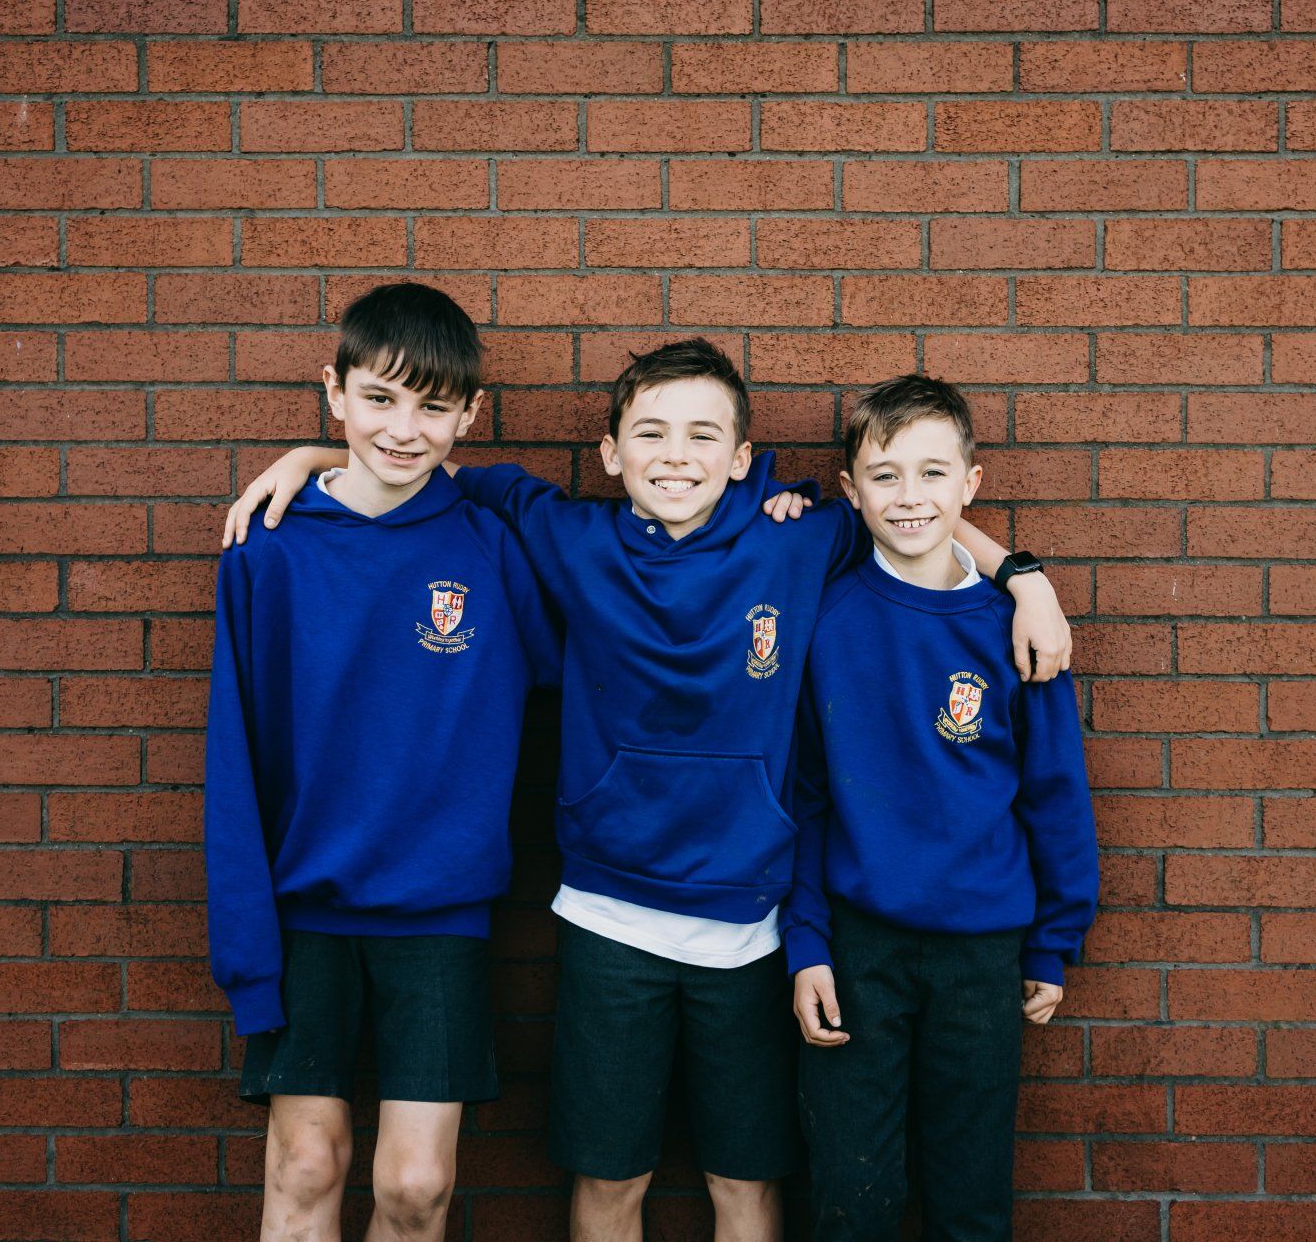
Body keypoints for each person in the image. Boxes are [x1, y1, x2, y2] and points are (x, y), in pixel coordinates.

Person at [224, 340, 1071, 1242]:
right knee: (608, 1183)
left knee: (745, 1186)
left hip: (750, 923)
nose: (675, 455)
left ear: (741, 459)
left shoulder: (797, 537)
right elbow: (427, 466)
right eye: (651, 433)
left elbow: (909, 516)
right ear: (609, 452)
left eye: (703, 435)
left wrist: (1021, 578)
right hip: (608, 913)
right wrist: (312, 456)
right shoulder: (569, 536)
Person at [204, 282, 558, 1242]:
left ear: (470, 415)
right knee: (306, 1165)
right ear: (335, 390)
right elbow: (234, 762)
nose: (404, 429)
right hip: (304, 913)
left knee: (415, 1187)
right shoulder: (267, 552)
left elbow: (605, 655)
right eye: (379, 400)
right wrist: (248, 955)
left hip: (439, 913)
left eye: (433, 407)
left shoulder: (493, 548)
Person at [783, 375, 1100, 1242]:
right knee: (852, 1195)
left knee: (970, 1195)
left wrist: (1053, 939)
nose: (909, 496)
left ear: (971, 483)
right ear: (851, 491)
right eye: (884, 475)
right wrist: (806, 942)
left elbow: (1055, 794)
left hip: (982, 950)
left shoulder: (1017, 627)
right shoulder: (829, 615)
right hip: (857, 943)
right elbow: (805, 794)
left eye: (933, 473)